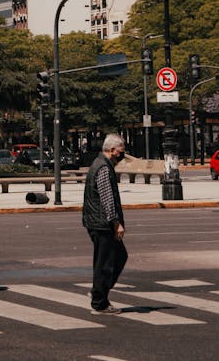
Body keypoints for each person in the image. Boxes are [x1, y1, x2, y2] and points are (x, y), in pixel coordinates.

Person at [82, 133, 128, 314]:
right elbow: (107, 198)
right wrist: (116, 223)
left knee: (118, 257)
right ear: (111, 150)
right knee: (105, 263)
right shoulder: (103, 167)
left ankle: (98, 290)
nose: (121, 155)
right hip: (102, 224)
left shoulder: (101, 164)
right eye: (120, 151)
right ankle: (99, 302)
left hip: (97, 221)